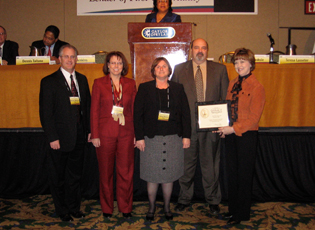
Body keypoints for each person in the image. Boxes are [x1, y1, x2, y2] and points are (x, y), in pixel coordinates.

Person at [171, 38, 229, 215]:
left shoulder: (219, 69)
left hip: (211, 127)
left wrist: (224, 124)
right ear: (191, 49)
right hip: (187, 128)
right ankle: (184, 199)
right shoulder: (180, 69)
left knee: (210, 166)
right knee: (186, 166)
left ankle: (213, 201)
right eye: (196, 47)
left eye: (203, 47)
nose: (200, 51)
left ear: (208, 50)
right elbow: (174, 99)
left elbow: (225, 98)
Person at [134, 57, 191, 221]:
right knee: (152, 176)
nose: (161, 68)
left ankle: (166, 207)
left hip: (174, 139)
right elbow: (137, 115)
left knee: (169, 176)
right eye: (157, 66)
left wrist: (186, 136)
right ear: (153, 70)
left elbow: (185, 115)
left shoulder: (178, 88)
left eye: (164, 66)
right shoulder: (144, 88)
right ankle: (151, 207)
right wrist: (139, 137)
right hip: (151, 140)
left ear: (169, 70)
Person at [39, 44, 91, 222]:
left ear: (77, 59)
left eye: (73, 57)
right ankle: (62, 211)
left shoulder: (82, 80)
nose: (70, 60)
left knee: (75, 176)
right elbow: (46, 113)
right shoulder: (49, 81)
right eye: (66, 57)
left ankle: (74, 208)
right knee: (58, 177)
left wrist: (89, 131)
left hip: (79, 136)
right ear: (59, 59)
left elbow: (87, 108)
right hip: (59, 139)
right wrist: (52, 137)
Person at [214, 48, 265, 225]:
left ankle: (242, 213)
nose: (239, 65)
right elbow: (227, 109)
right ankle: (233, 209)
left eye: (242, 62)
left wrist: (233, 129)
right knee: (232, 174)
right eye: (236, 62)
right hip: (231, 135)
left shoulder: (257, 87)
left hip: (246, 136)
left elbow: (253, 118)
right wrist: (222, 126)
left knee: (244, 176)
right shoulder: (233, 83)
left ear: (251, 64)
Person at [90, 51, 136, 219]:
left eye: (120, 63)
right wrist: (95, 134)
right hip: (105, 134)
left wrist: (135, 135)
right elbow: (94, 110)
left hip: (126, 133)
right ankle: (107, 208)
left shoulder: (131, 84)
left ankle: (125, 207)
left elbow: (133, 111)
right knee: (106, 172)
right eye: (113, 63)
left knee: (126, 172)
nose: (116, 66)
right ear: (107, 65)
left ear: (124, 66)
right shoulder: (99, 83)